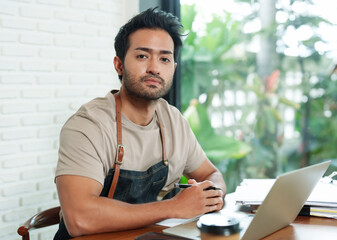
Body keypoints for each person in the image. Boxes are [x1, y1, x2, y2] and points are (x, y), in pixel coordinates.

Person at [54, 7, 226, 239]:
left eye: (165, 58)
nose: (155, 68)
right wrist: (175, 206)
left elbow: (211, 174)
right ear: (119, 65)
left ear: (173, 69)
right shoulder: (88, 125)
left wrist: (210, 195)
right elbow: (79, 218)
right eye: (143, 56)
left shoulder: (174, 120)